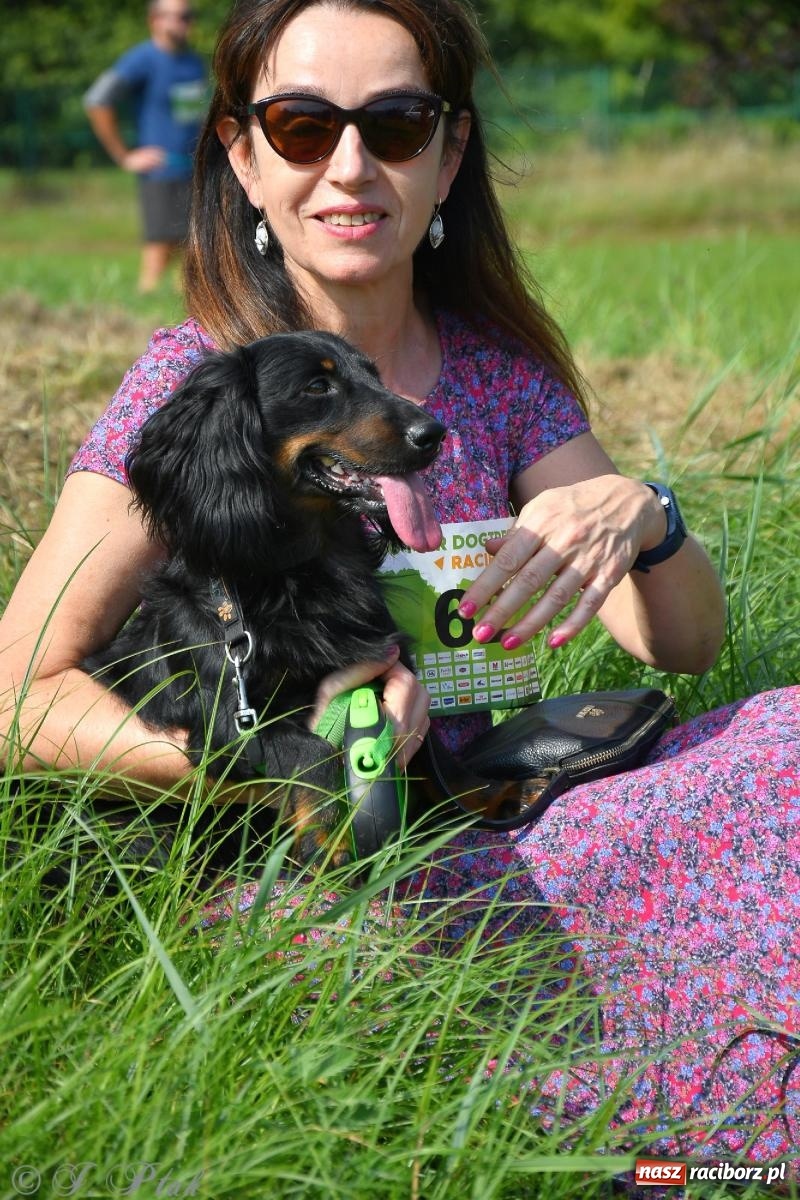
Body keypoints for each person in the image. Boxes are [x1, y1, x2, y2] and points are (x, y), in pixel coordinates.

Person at [3, 0, 798, 1170]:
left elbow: (675, 648)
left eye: (396, 121)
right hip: (317, 854)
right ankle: (673, 1156)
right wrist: (272, 763)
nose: (350, 165)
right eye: (300, 124)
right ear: (241, 154)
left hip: (484, 797)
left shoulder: (497, 376)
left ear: (449, 152)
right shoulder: (203, 388)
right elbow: (18, 691)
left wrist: (642, 514)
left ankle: (731, 1139)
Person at [84, 0, 208, 293]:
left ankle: (180, 319)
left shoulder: (194, 62)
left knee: (191, 253)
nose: (185, 23)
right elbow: (97, 100)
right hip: (160, 172)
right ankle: (142, 310)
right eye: (178, 17)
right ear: (155, 20)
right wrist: (123, 156)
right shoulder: (141, 59)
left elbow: (196, 115)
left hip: (194, 169)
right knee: (158, 250)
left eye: (189, 16)